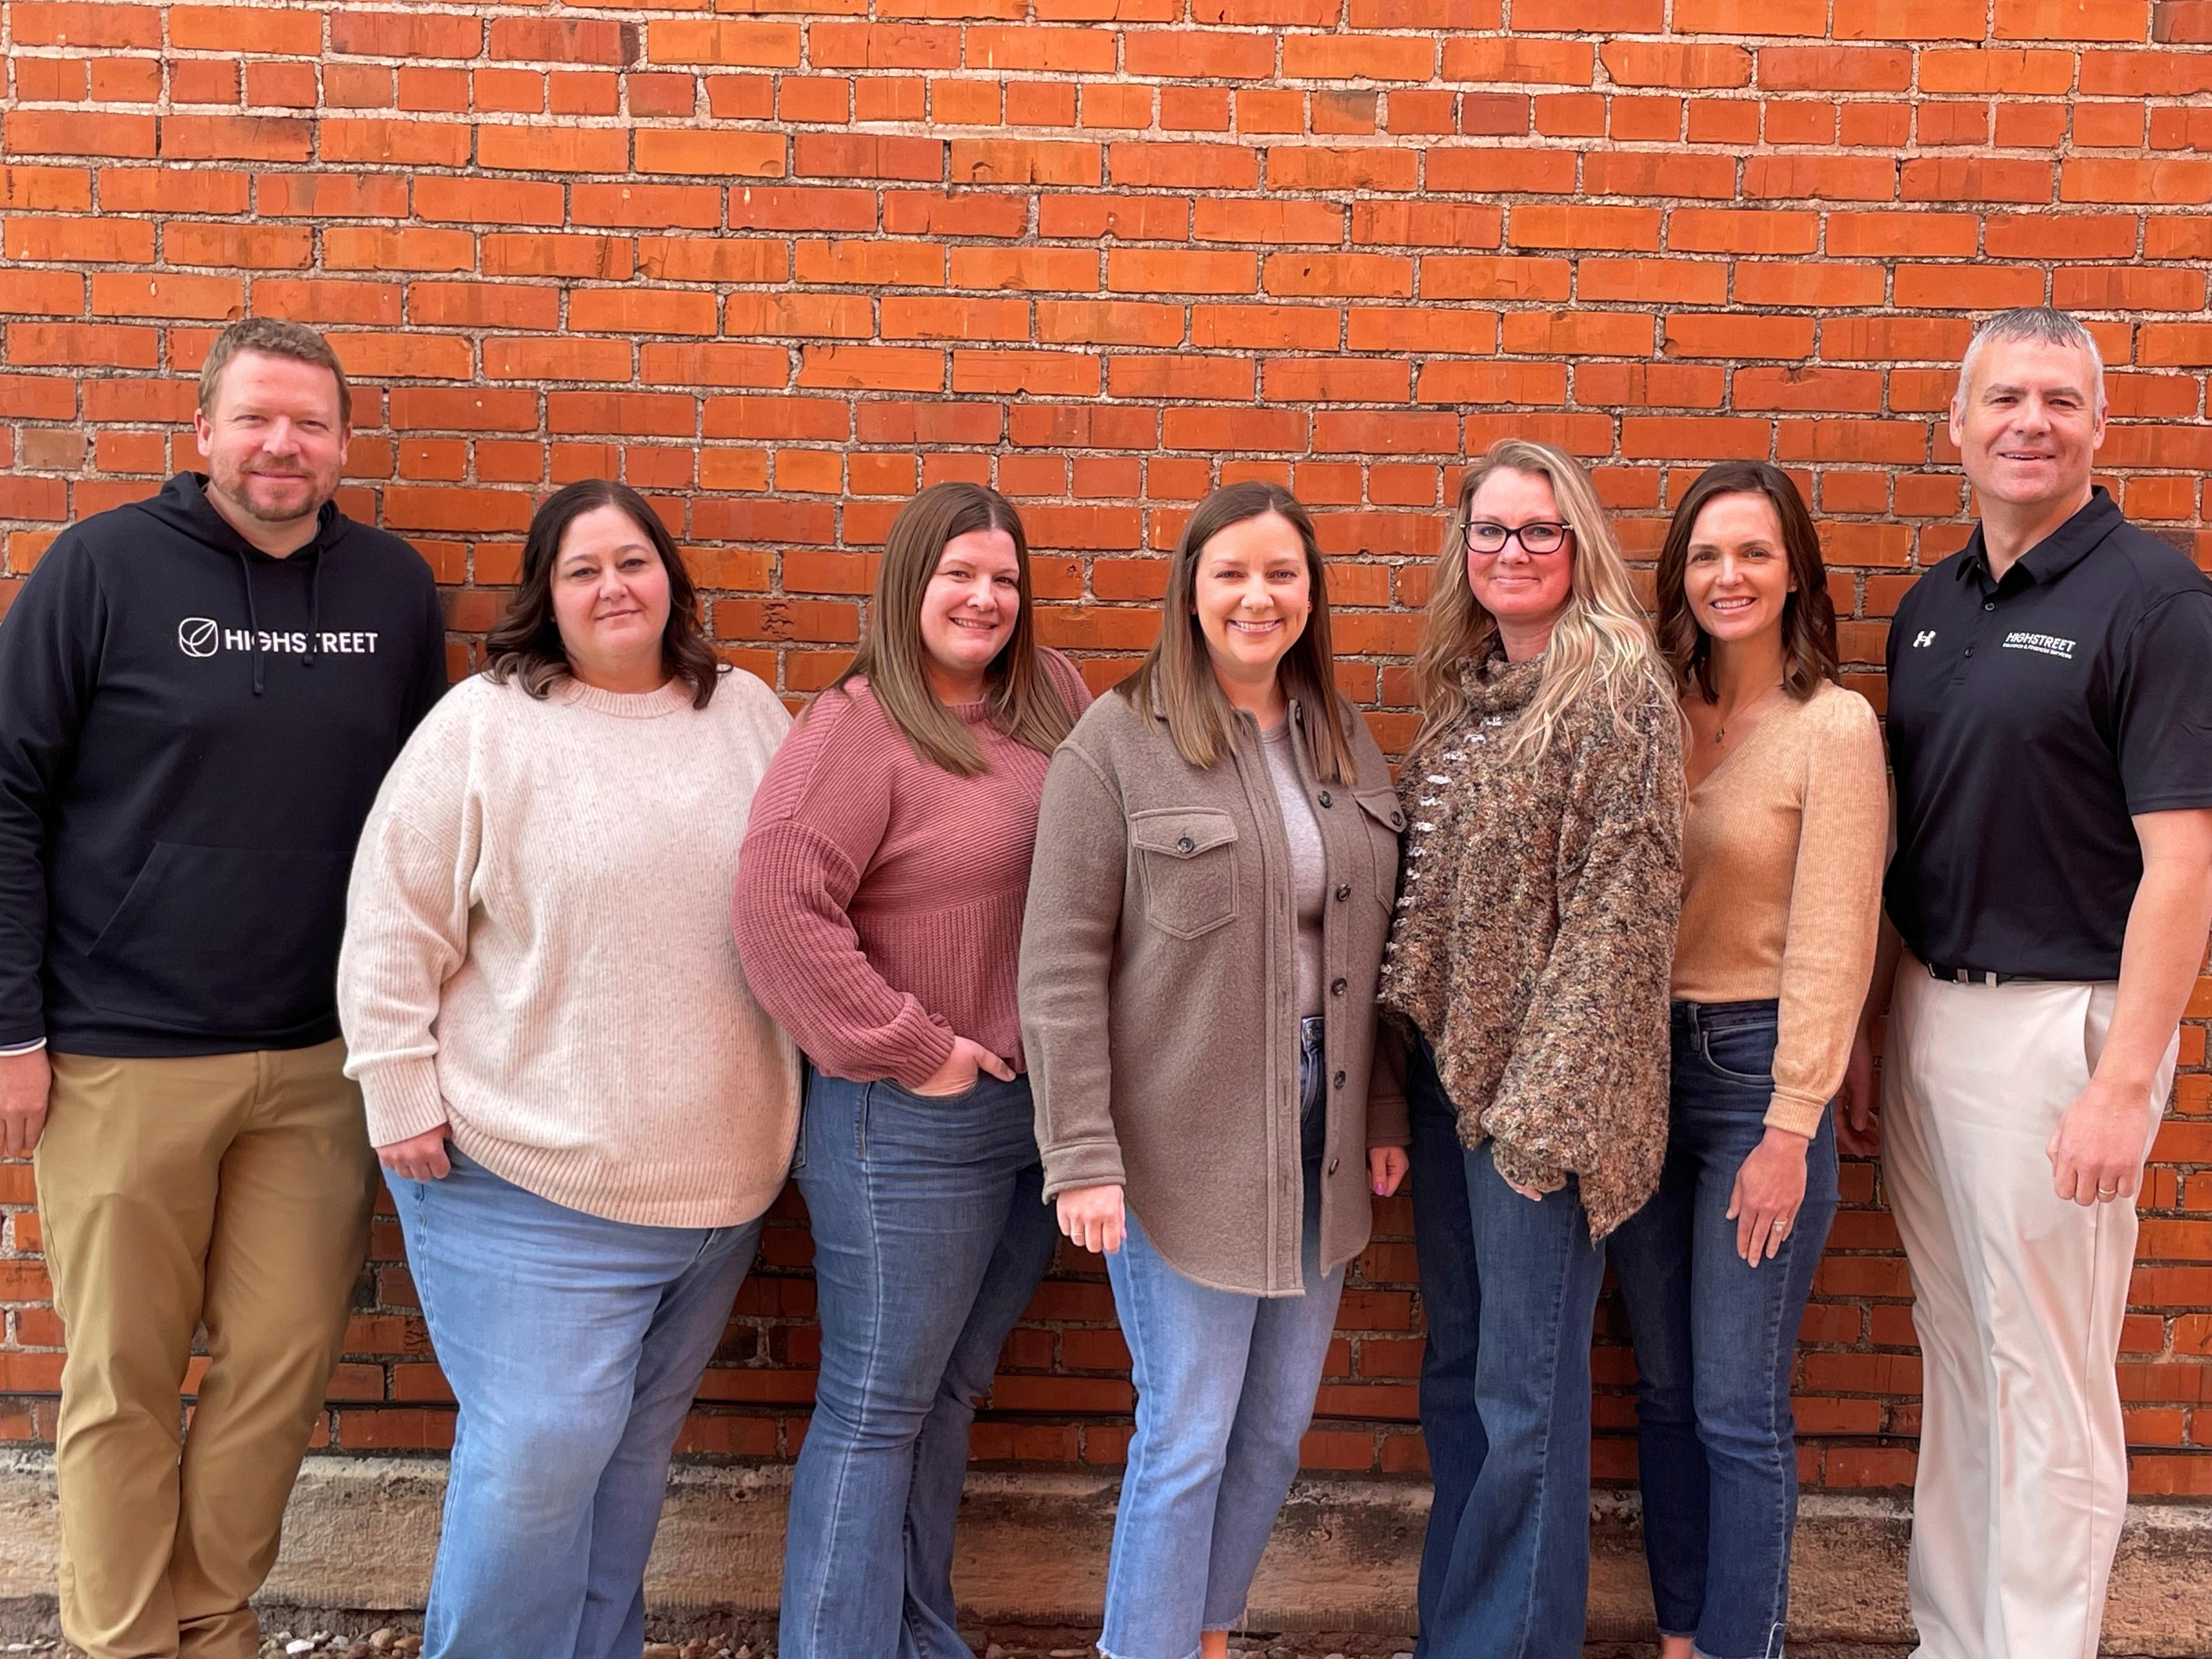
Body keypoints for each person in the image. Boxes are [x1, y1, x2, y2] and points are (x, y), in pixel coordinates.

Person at [0, 318, 447, 1659]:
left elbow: (422, 827)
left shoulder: (392, 590)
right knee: (121, 1377)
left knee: (282, 1368)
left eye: (309, 422)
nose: (281, 445)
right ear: (203, 433)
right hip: (121, 1051)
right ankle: (123, 1641)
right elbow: (7, 796)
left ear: (344, 444)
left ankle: (210, 1619)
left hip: (320, 1060)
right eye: (255, 418)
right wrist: (13, 1031)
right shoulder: (100, 570)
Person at [336, 480, 799, 1659]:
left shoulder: (747, 713)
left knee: (628, 1469)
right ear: (547, 594)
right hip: (527, 1175)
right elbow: (392, 920)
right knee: (541, 1461)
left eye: (633, 562)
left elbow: (808, 899)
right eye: (582, 569)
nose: (613, 587)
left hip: (716, 1191)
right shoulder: (486, 725)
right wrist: (395, 1086)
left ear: (671, 580)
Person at [1840, 307, 2212, 1659]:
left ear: (2102, 426)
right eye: (2003, 399)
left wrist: (2122, 1083)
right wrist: (1875, 1024)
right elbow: (1915, 845)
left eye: (2059, 399)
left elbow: (2186, 866)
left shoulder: (2158, 603)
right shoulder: (1931, 609)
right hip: (1934, 1017)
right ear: (1957, 427)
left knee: (2048, 1381)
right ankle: (1957, 1640)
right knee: (1962, 1357)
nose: (2029, 424)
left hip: (2064, 1029)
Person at [1020, 482, 1410, 1659]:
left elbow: (1376, 949)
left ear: (1311, 594)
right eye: (1231, 573)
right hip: (1177, 1143)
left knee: (1276, 1431)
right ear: (1191, 592)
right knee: (1188, 1433)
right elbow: (1059, 964)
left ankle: (1209, 1636)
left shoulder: (1342, 739)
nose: (1257, 597)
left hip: (1322, 1137)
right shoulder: (1117, 743)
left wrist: (1382, 1106)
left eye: (1282, 574)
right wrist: (1080, 1153)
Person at [732, 482, 1088, 1659]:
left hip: (1031, 1117)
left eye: (1005, 578)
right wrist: (914, 1047)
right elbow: (776, 907)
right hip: (906, 1124)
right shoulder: (858, 726)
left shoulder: (1054, 701)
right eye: (959, 574)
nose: (985, 599)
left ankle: (918, 1637)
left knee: (946, 1396)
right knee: (879, 1410)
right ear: (908, 587)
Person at [1379, 438, 1683, 1659]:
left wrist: (1539, 1116)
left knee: (1524, 1398)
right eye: (1492, 530)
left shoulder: (1616, 691)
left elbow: (1622, 915)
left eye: (1540, 530)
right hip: (1450, 1085)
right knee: (1462, 1379)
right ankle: (1458, 1636)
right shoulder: (1469, 691)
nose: (1514, 550)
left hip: (1543, 1111)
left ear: (1579, 546)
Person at [1608, 463, 1887, 1659]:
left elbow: (1836, 938)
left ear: (1796, 575)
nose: (1730, 576)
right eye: (1708, 555)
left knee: (1735, 1403)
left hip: (1757, 1079)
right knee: (1665, 1393)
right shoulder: (1647, 710)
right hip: (1637, 1075)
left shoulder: (1836, 728)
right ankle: (1682, 1638)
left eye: (1756, 553)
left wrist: (1792, 1124)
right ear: (1680, 575)